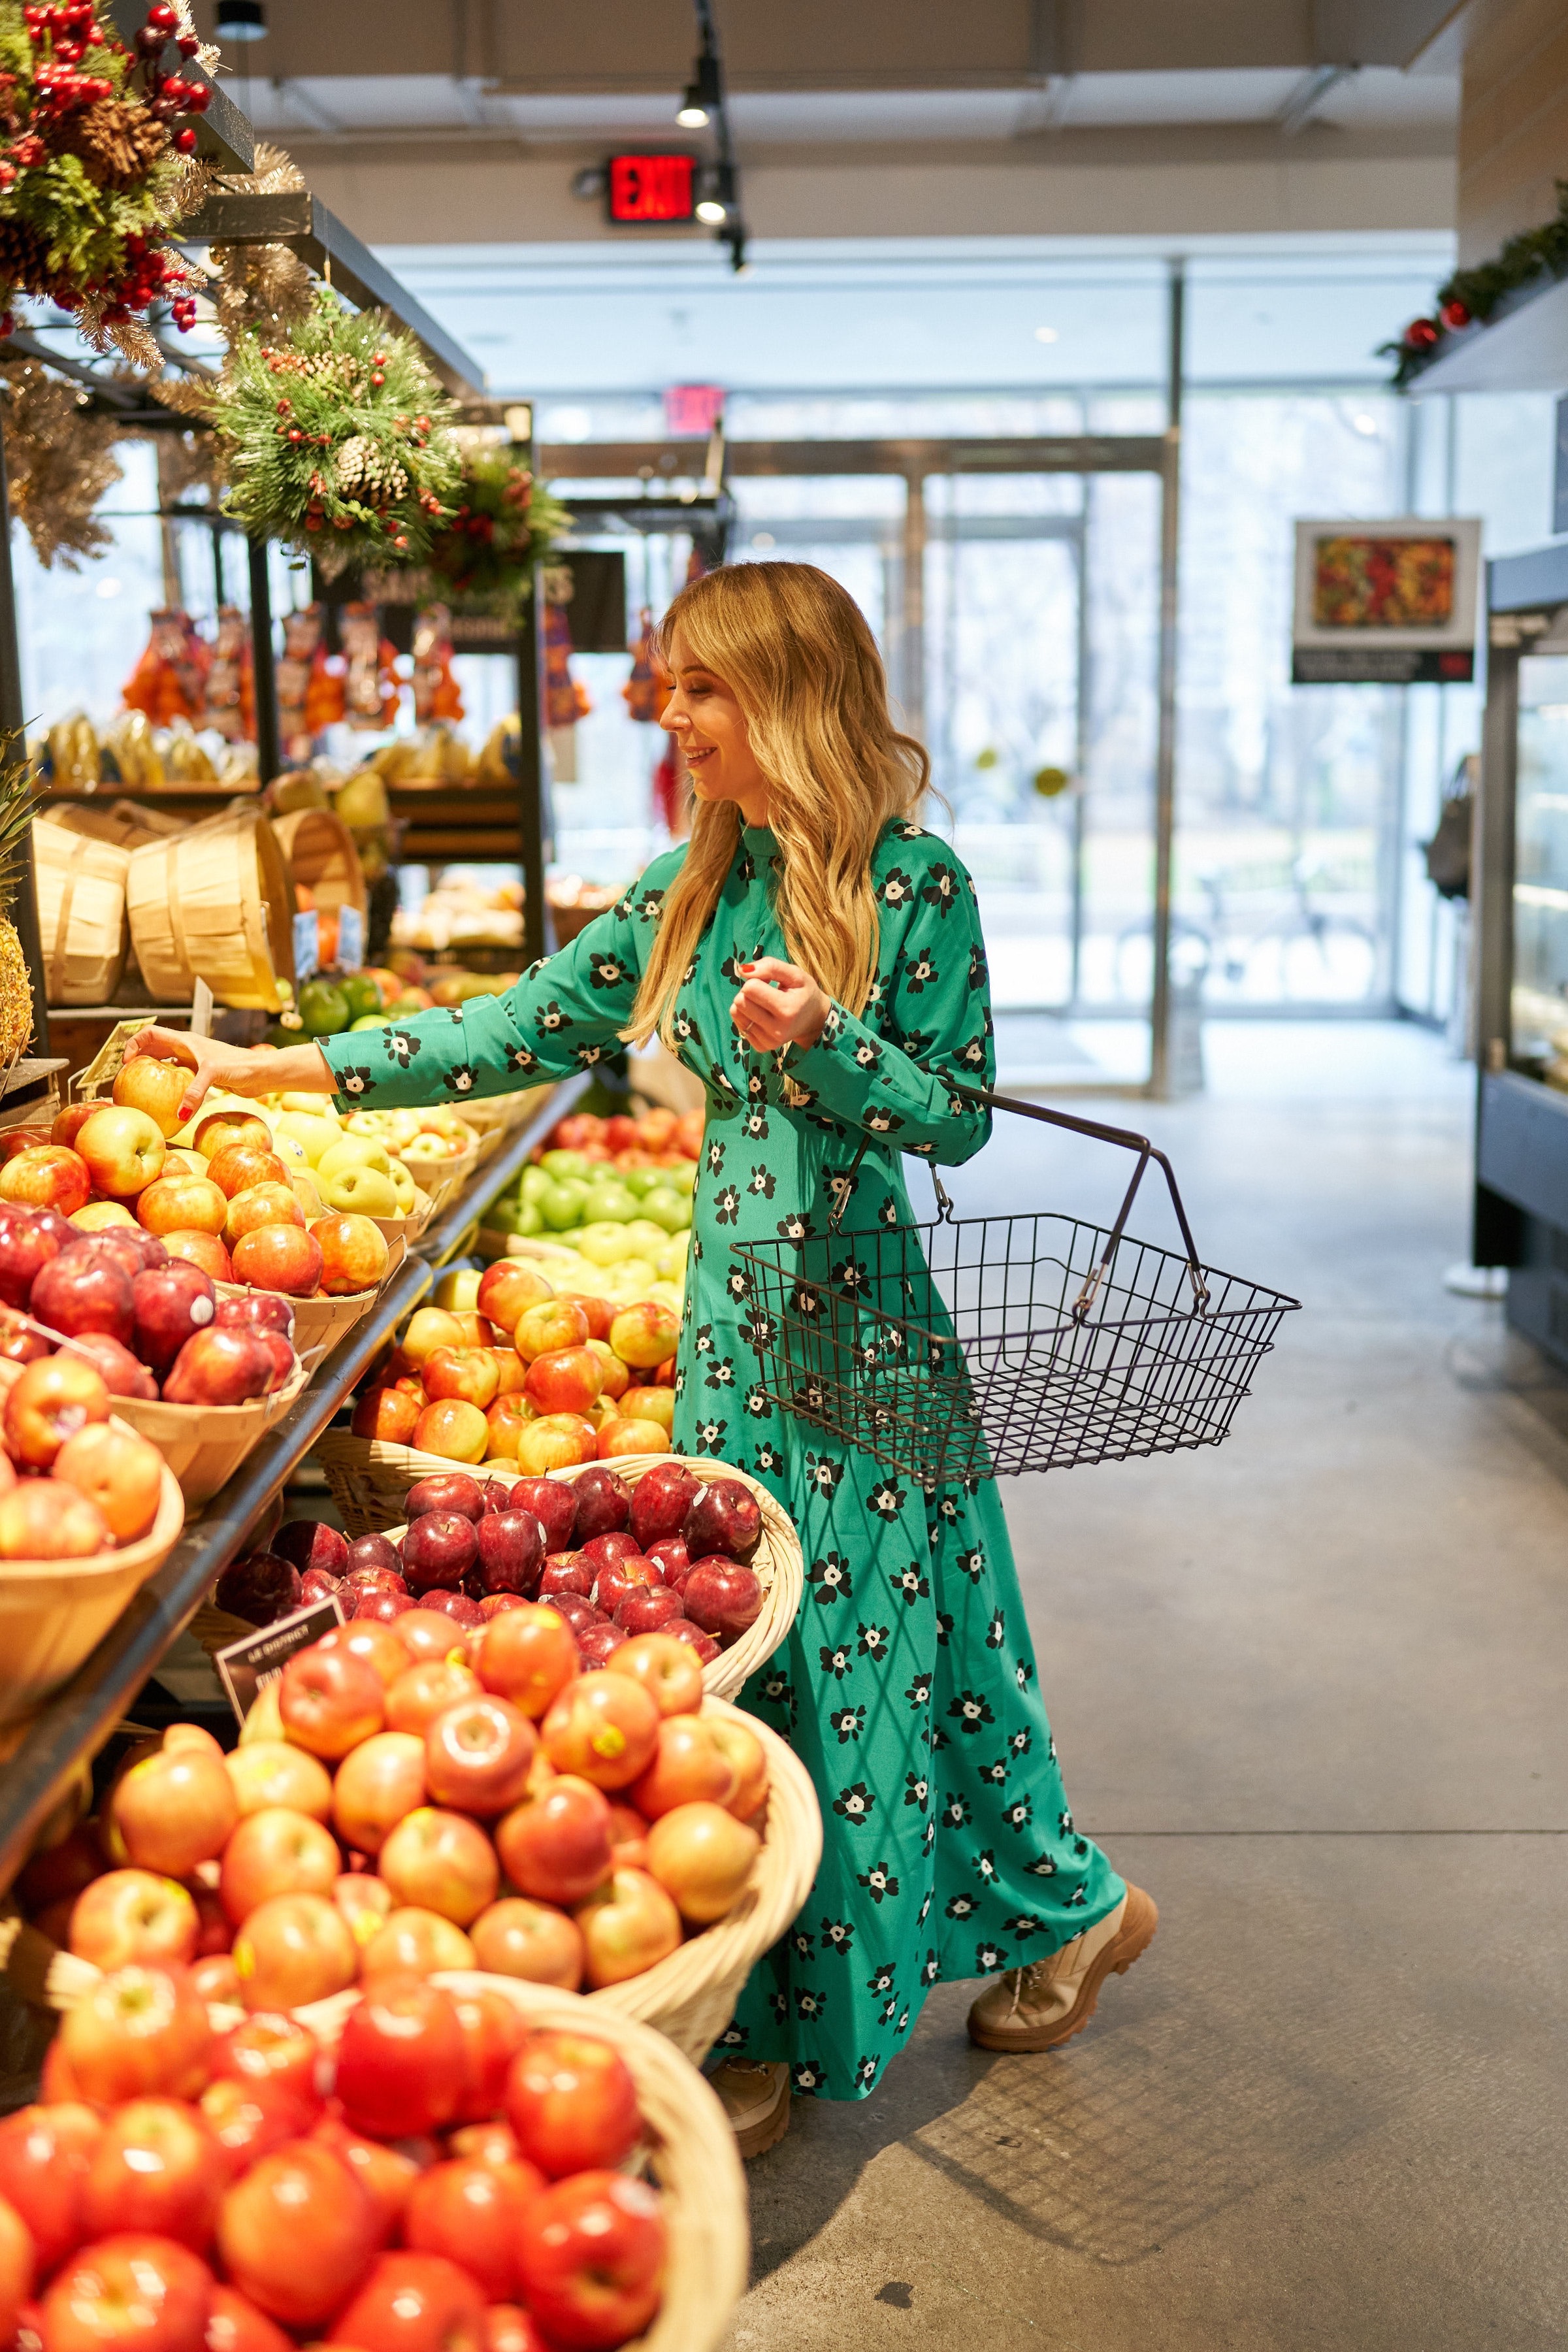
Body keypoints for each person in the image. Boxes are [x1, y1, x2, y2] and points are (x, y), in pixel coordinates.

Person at [128, 561, 1155, 2158]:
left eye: (698, 690)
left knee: (897, 1662)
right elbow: (516, 1026)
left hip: (865, 1336)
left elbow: (954, 1113)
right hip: (735, 1341)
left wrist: (828, 1041)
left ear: (790, 698)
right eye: (669, 687)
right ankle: (770, 1992)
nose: (668, 716)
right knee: (753, 1662)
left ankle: (946, 1962)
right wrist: (283, 1064)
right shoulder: (698, 879)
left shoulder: (917, 885)